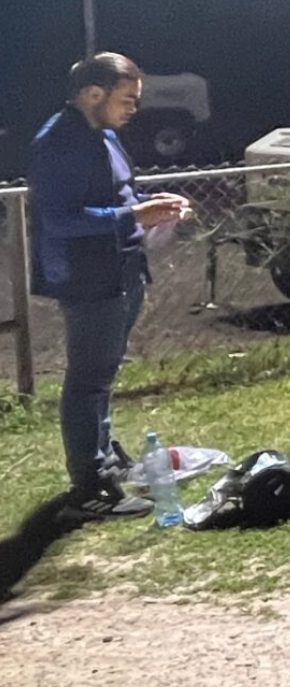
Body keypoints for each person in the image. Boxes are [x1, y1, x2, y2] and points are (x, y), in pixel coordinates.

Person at [29, 52, 188, 519]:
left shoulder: (104, 136)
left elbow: (117, 199)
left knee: (104, 374)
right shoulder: (58, 141)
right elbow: (59, 221)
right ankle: (89, 487)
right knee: (87, 381)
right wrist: (132, 215)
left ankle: (105, 461)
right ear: (92, 94)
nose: (133, 109)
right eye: (127, 99)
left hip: (123, 270)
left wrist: (148, 204)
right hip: (88, 277)